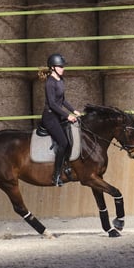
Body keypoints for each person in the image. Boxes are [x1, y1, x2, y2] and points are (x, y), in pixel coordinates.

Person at [39, 53, 81, 186]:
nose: (63, 69)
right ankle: (56, 175)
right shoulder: (50, 83)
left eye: (63, 66)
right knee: (63, 142)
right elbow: (52, 104)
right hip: (50, 116)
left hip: (59, 115)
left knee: (70, 139)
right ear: (52, 67)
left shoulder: (61, 80)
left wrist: (73, 110)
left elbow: (62, 100)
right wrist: (67, 115)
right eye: (60, 66)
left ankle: (66, 165)